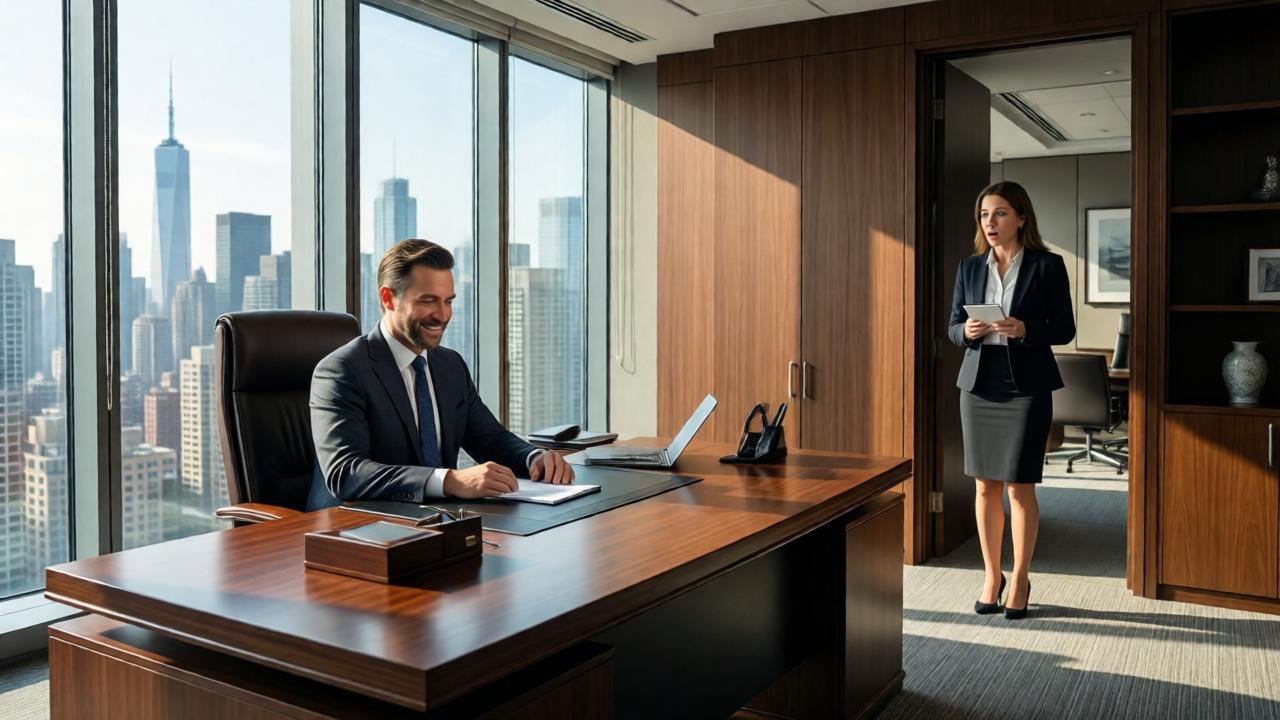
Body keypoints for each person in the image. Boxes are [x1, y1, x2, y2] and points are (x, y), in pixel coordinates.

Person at [307, 238, 574, 509]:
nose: (443, 315)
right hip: (353, 529)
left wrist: (535, 458)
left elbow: (489, 438)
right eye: (428, 301)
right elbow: (346, 473)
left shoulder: (450, 365)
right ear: (388, 298)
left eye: (448, 301)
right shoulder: (341, 371)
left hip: (435, 523)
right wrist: (449, 481)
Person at [947, 181, 1075, 620]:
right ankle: (991, 574)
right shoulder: (969, 268)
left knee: (1020, 487)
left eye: (1000, 213)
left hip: (1027, 385)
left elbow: (1065, 329)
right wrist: (965, 332)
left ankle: (1019, 576)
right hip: (979, 384)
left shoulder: (1047, 266)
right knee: (984, 485)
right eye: (985, 214)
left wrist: (1026, 330)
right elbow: (950, 327)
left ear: (1021, 217)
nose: (990, 222)